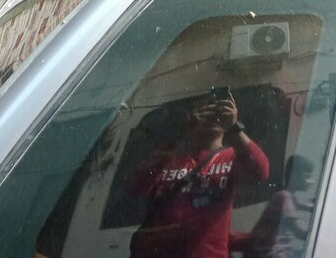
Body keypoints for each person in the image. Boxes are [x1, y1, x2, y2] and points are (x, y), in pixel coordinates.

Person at [129, 91, 269, 258]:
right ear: (194, 115)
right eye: (207, 107)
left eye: (219, 109)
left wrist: (234, 127)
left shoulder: (231, 157)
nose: (213, 114)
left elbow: (260, 171)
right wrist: (187, 134)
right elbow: (134, 187)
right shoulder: (171, 156)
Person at [232, 155, 316, 258]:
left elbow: (306, 206)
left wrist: (314, 207)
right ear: (294, 176)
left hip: (271, 250)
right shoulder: (284, 198)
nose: (312, 181)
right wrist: (320, 234)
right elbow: (299, 231)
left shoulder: (288, 197)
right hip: (267, 252)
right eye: (307, 177)